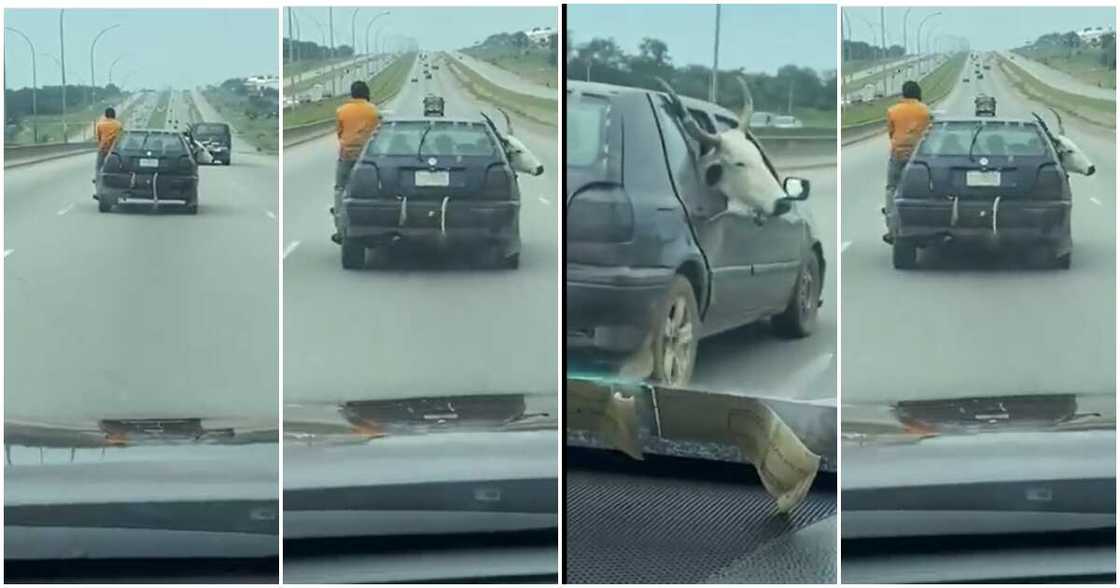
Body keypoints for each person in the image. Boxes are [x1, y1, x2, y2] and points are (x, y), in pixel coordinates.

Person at [331, 80, 381, 244]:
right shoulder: (373, 111)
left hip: (347, 155)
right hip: (368, 158)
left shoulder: (342, 111)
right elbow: (378, 134)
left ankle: (340, 228)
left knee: (340, 189)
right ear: (366, 93)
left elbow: (339, 133)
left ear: (352, 94)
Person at [883, 80, 930, 243]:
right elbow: (929, 134)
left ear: (903, 93)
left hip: (898, 154)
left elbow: (891, 132)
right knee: (920, 191)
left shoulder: (892, 111)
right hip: (918, 157)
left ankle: (892, 228)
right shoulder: (925, 111)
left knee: (892, 189)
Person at [93, 107, 123, 183]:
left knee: (99, 166)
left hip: (103, 148)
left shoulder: (100, 124)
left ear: (105, 115)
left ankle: (97, 179)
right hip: (114, 150)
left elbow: (98, 137)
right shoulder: (118, 125)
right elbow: (120, 137)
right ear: (114, 115)